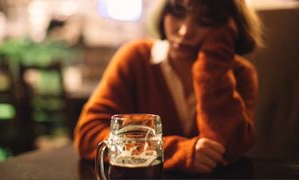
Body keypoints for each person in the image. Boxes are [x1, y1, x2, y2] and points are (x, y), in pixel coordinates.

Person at [74, 0, 263, 174]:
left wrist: (213, 68)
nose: (185, 31)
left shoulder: (241, 74)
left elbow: (227, 149)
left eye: (205, 21)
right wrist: (177, 152)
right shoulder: (135, 58)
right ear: (163, 13)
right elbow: (88, 134)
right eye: (178, 13)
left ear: (228, 29)